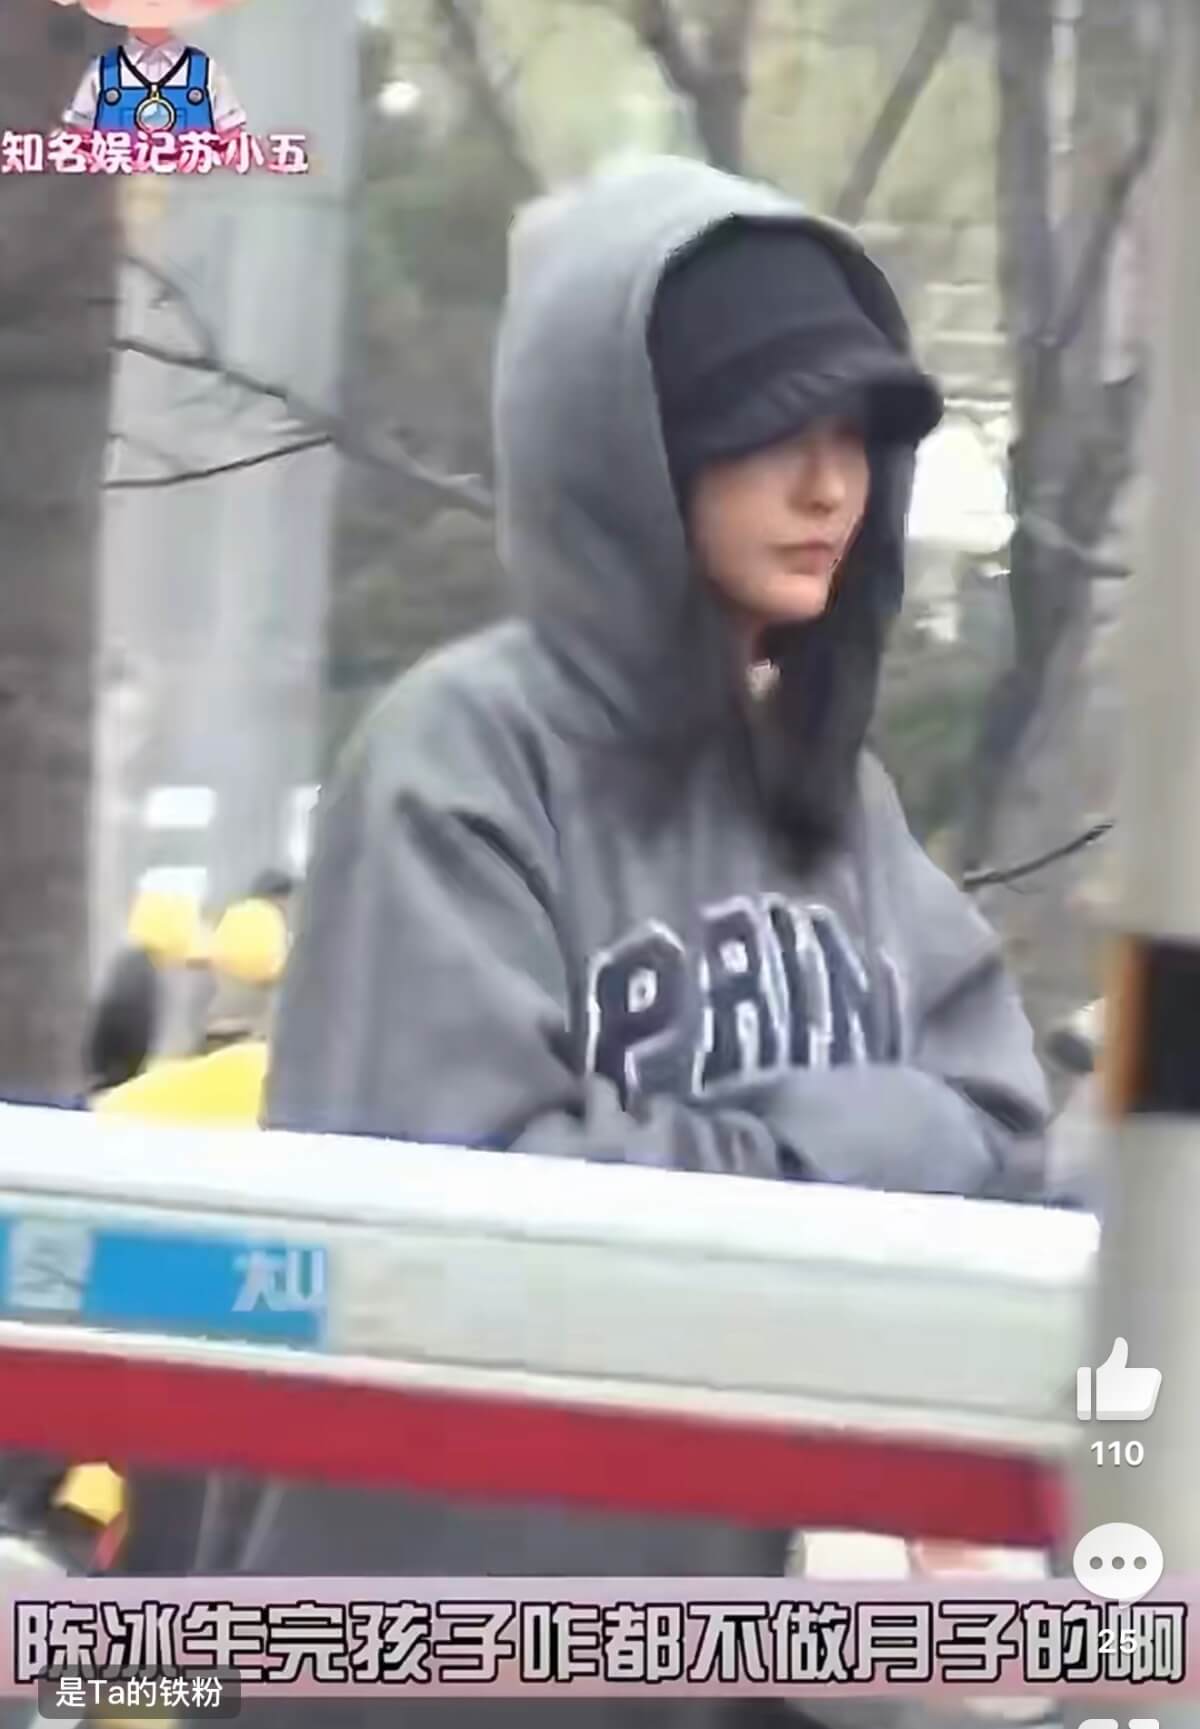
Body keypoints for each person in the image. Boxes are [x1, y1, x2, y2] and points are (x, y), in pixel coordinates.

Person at [240, 156, 1048, 1728]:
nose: (829, 487)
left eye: (856, 437)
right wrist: (849, 1154)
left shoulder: (838, 799)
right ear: (626, 447)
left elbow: (1003, 1145)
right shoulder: (460, 757)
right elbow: (468, 1215)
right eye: (771, 431)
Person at [52, 0, 247, 137]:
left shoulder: (204, 70)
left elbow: (231, 127)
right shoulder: (104, 71)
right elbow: (79, 125)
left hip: (192, 169)